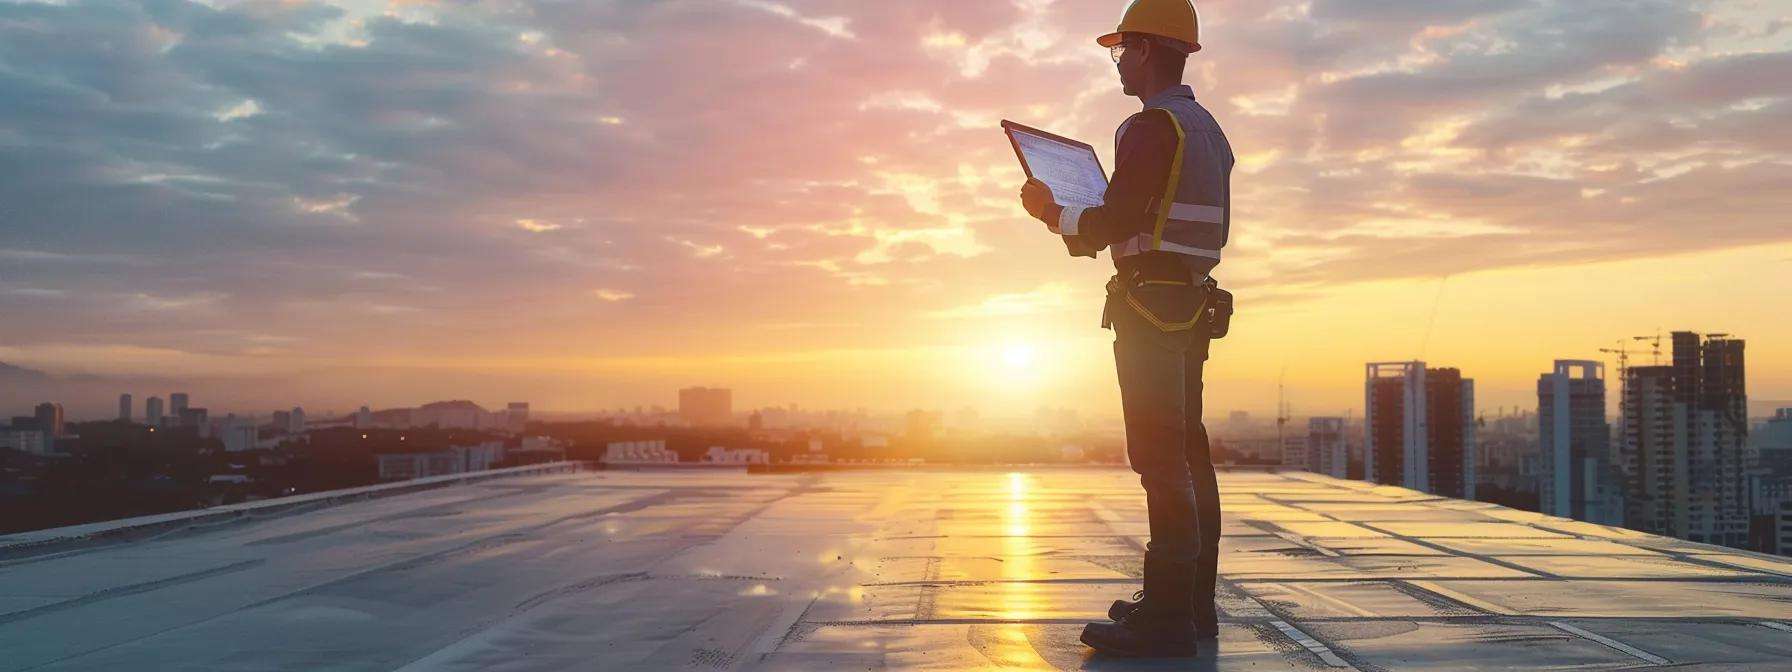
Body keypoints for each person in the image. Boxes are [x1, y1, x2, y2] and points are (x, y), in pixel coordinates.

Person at [1017, 0, 1233, 658]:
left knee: (1159, 459)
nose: (1116, 62)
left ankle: (1165, 616)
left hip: (1151, 309)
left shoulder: (1149, 126)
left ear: (1146, 52)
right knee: (1188, 455)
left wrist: (1054, 213)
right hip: (1191, 303)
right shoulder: (1205, 128)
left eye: (1121, 51)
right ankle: (1190, 603)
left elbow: (1112, 222)